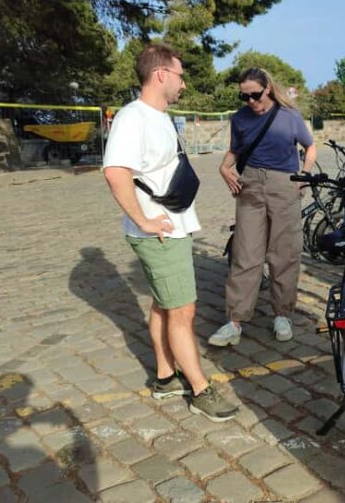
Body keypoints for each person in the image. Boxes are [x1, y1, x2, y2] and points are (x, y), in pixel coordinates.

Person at [103, 42, 238, 422]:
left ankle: (165, 377)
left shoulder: (159, 115)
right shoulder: (134, 117)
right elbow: (115, 172)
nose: (183, 84)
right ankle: (200, 388)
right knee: (183, 310)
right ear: (161, 73)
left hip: (170, 226)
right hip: (159, 233)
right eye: (180, 75)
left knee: (164, 304)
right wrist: (144, 221)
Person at [209, 68, 316, 347]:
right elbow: (236, 150)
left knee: (284, 254)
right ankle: (235, 321)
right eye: (244, 96)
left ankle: (282, 315)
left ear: (267, 88)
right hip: (251, 185)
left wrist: (303, 176)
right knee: (246, 253)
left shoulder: (289, 116)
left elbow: (310, 146)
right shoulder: (240, 118)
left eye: (254, 95)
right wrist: (224, 167)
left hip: (284, 185)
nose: (250, 102)